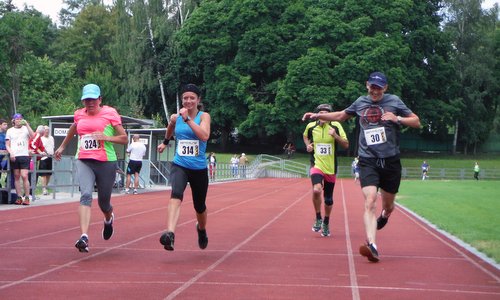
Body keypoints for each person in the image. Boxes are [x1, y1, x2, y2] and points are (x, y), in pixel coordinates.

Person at [302, 71, 421, 262]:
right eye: (372, 87)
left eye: (379, 88)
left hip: (390, 161)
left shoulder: (394, 101)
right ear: (367, 85)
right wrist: (316, 115)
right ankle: (372, 245)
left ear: (385, 88)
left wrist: (397, 119)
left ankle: (384, 215)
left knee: (389, 206)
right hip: (368, 160)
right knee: (370, 200)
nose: (375, 91)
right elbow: (341, 115)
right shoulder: (360, 102)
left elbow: (416, 121)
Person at [54, 83, 127, 253]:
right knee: (85, 195)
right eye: (86, 100)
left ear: (99, 99)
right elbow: (73, 128)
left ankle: (108, 218)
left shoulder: (110, 113)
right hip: (84, 159)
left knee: (103, 202)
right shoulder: (79, 114)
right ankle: (84, 236)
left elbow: (124, 138)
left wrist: (106, 137)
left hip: (106, 162)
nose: (90, 103)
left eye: (93, 99)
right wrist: (63, 146)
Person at [157, 83, 211, 251]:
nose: (188, 101)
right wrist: (166, 142)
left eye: (192, 98)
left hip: (199, 168)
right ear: (182, 99)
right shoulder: (176, 117)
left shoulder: (203, 117)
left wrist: (187, 119)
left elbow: (204, 136)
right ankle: (170, 234)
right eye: (185, 98)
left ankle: (201, 230)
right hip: (180, 164)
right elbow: (171, 126)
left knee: (199, 206)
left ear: (198, 100)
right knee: (176, 195)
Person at [303, 104, 349, 237]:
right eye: (321, 113)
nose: (323, 115)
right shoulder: (311, 126)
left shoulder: (336, 126)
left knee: (328, 199)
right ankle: (318, 217)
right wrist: (308, 146)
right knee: (317, 189)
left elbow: (346, 145)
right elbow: (305, 136)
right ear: (318, 114)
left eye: (326, 113)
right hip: (316, 164)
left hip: (330, 167)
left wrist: (335, 136)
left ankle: (326, 222)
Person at [5, 113, 34, 205]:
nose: (19, 121)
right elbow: (7, 144)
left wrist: (27, 124)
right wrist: (11, 153)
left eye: (20, 119)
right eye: (17, 119)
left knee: (24, 175)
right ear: (13, 121)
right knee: (16, 176)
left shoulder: (25, 129)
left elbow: (33, 136)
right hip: (15, 155)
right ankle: (19, 197)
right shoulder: (10, 131)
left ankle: (27, 197)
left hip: (24, 155)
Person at [40, 126, 55, 195]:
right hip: (43, 158)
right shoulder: (41, 138)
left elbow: (53, 147)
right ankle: (44, 189)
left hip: (50, 157)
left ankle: (45, 187)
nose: (47, 131)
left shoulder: (51, 138)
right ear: (43, 131)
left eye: (48, 130)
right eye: (46, 130)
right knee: (43, 174)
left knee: (49, 173)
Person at [0, 119, 8, 183]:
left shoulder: (6, 135)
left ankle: (7, 184)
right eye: (4, 124)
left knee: (11, 169)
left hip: (4, 157)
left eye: (6, 124)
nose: (6, 126)